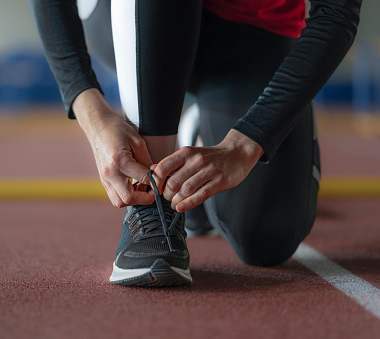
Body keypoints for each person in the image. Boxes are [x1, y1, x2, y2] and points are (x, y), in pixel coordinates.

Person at [29, 0, 362, 286]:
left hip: (252, 35)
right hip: (130, 14)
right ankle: (152, 207)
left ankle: (196, 137)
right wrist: (92, 114)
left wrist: (247, 144)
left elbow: (337, 12)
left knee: (267, 239)